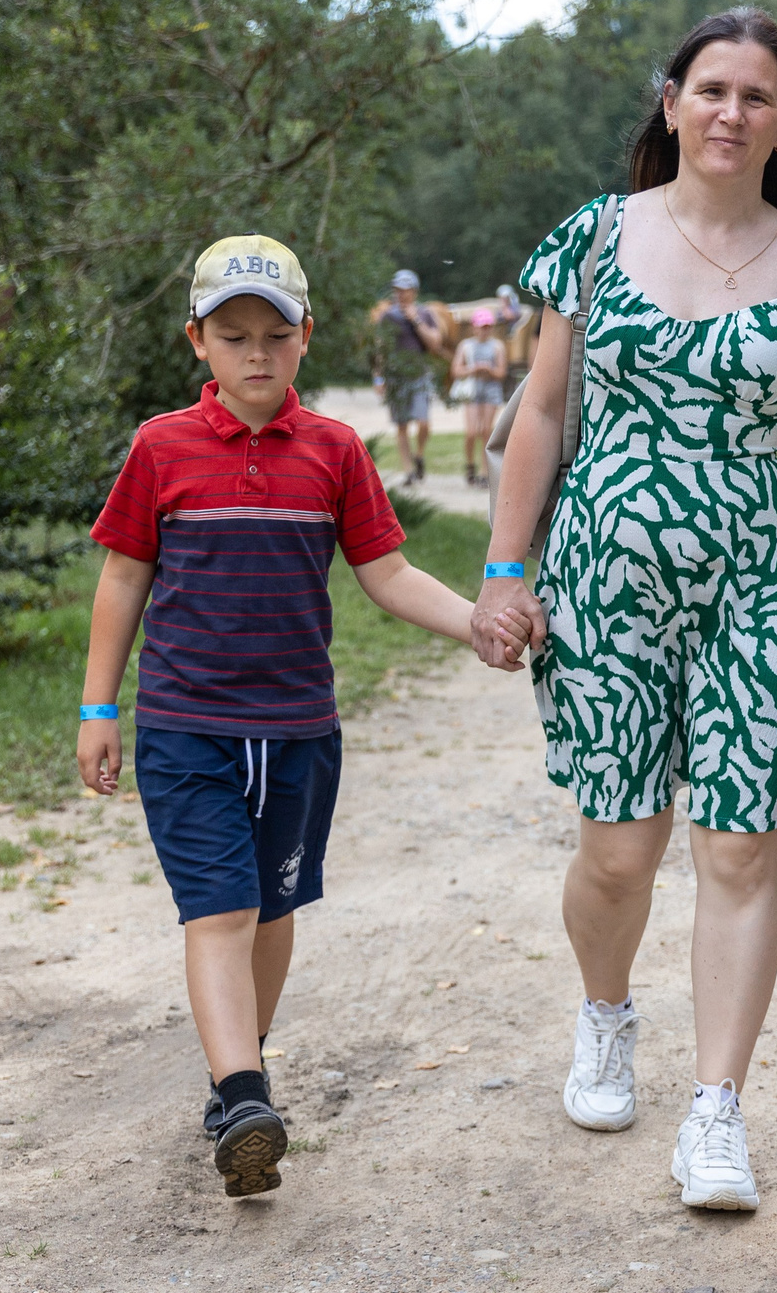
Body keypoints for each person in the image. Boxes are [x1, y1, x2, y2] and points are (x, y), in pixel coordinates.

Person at [471, 9, 777, 1214]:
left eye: (756, 96)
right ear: (671, 105)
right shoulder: (596, 243)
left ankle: (716, 1111)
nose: (730, 112)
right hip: (606, 577)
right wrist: (507, 570)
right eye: (711, 89)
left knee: (741, 843)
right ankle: (606, 1018)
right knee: (618, 846)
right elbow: (542, 414)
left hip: (758, 582)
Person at [76, 235, 512, 1199]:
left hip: (300, 732)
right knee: (220, 906)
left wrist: (475, 621)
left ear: (307, 337)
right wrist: (99, 705)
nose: (257, 354)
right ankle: (241, 1092)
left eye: (276, 335)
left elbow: (388, 573)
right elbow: (124, 575)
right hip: (187, 727)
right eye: (234, 336)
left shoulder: (336, 453)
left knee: (272, 907)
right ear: (199, 342)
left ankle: (243, 1077)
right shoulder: (161, 448)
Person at [369, 269, 445, 483]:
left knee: (423, 423)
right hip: (395, 377)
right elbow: (380, 348)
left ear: (414, 292)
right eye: (397, 290)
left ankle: (419, 455)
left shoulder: (425, 313)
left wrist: (415, 321)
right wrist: (378, 377)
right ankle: (409, 470)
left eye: (405, 290)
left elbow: (435, 344)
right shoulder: (388, 316)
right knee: (401, 425)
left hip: (419, 375)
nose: (401, 294)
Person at [448, 308, 509, 486]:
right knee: (472, 431)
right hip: (473, 390)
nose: (485, 330)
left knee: (486, 431)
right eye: (482, 327)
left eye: (488, 327)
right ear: (474, 328)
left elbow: (502, 372)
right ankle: (470, 464)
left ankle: (484, 471)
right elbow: (456, 371)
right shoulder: (466, 346)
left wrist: (489, 370)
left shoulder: (497, 346)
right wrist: (473, 369)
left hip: (491, 390)